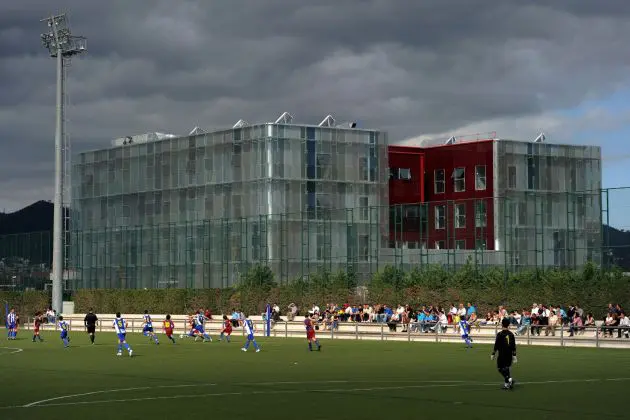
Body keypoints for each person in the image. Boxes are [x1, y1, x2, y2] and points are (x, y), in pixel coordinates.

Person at [491, 317, 517, 390]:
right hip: (509, 354)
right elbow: (513, 345)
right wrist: (514, 355)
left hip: (502, 354)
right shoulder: (511, 334)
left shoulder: (500, 334)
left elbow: (496, 344)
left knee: (500, 368)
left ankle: (509, 379)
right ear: (508, 325)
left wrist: (493, 353)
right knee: (507, 368)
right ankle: (507, 385)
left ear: (502, 324)